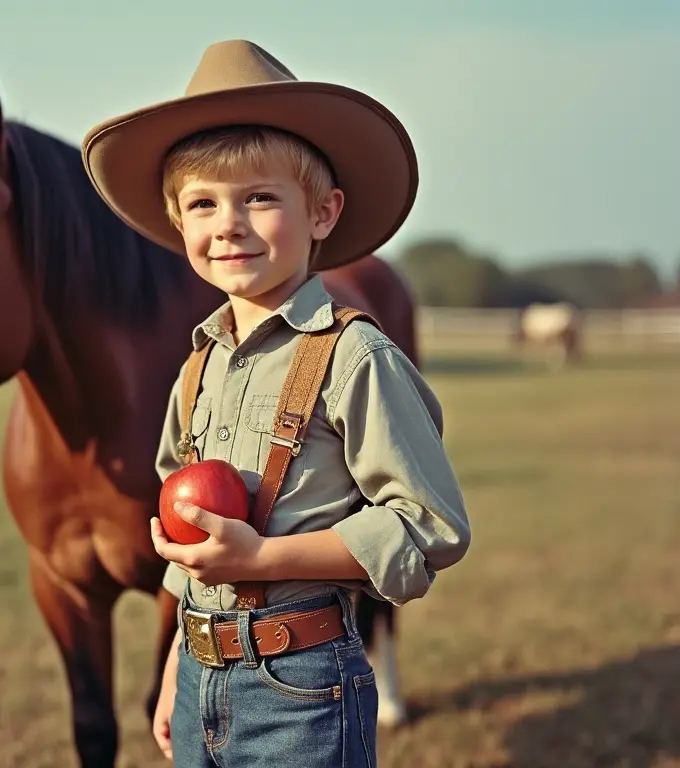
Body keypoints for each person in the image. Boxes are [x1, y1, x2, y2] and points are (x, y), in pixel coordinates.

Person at [82, 39, 471, 767]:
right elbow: (189, 545)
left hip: (304, 688)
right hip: (200, 676)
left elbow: (430, 526)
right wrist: (174, 669)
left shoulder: (356, 358)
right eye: (202, 203)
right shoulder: (196, 368)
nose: (227, 223)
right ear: (179, 224)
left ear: (323, 212)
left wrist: (265, 556)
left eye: (259, 197)